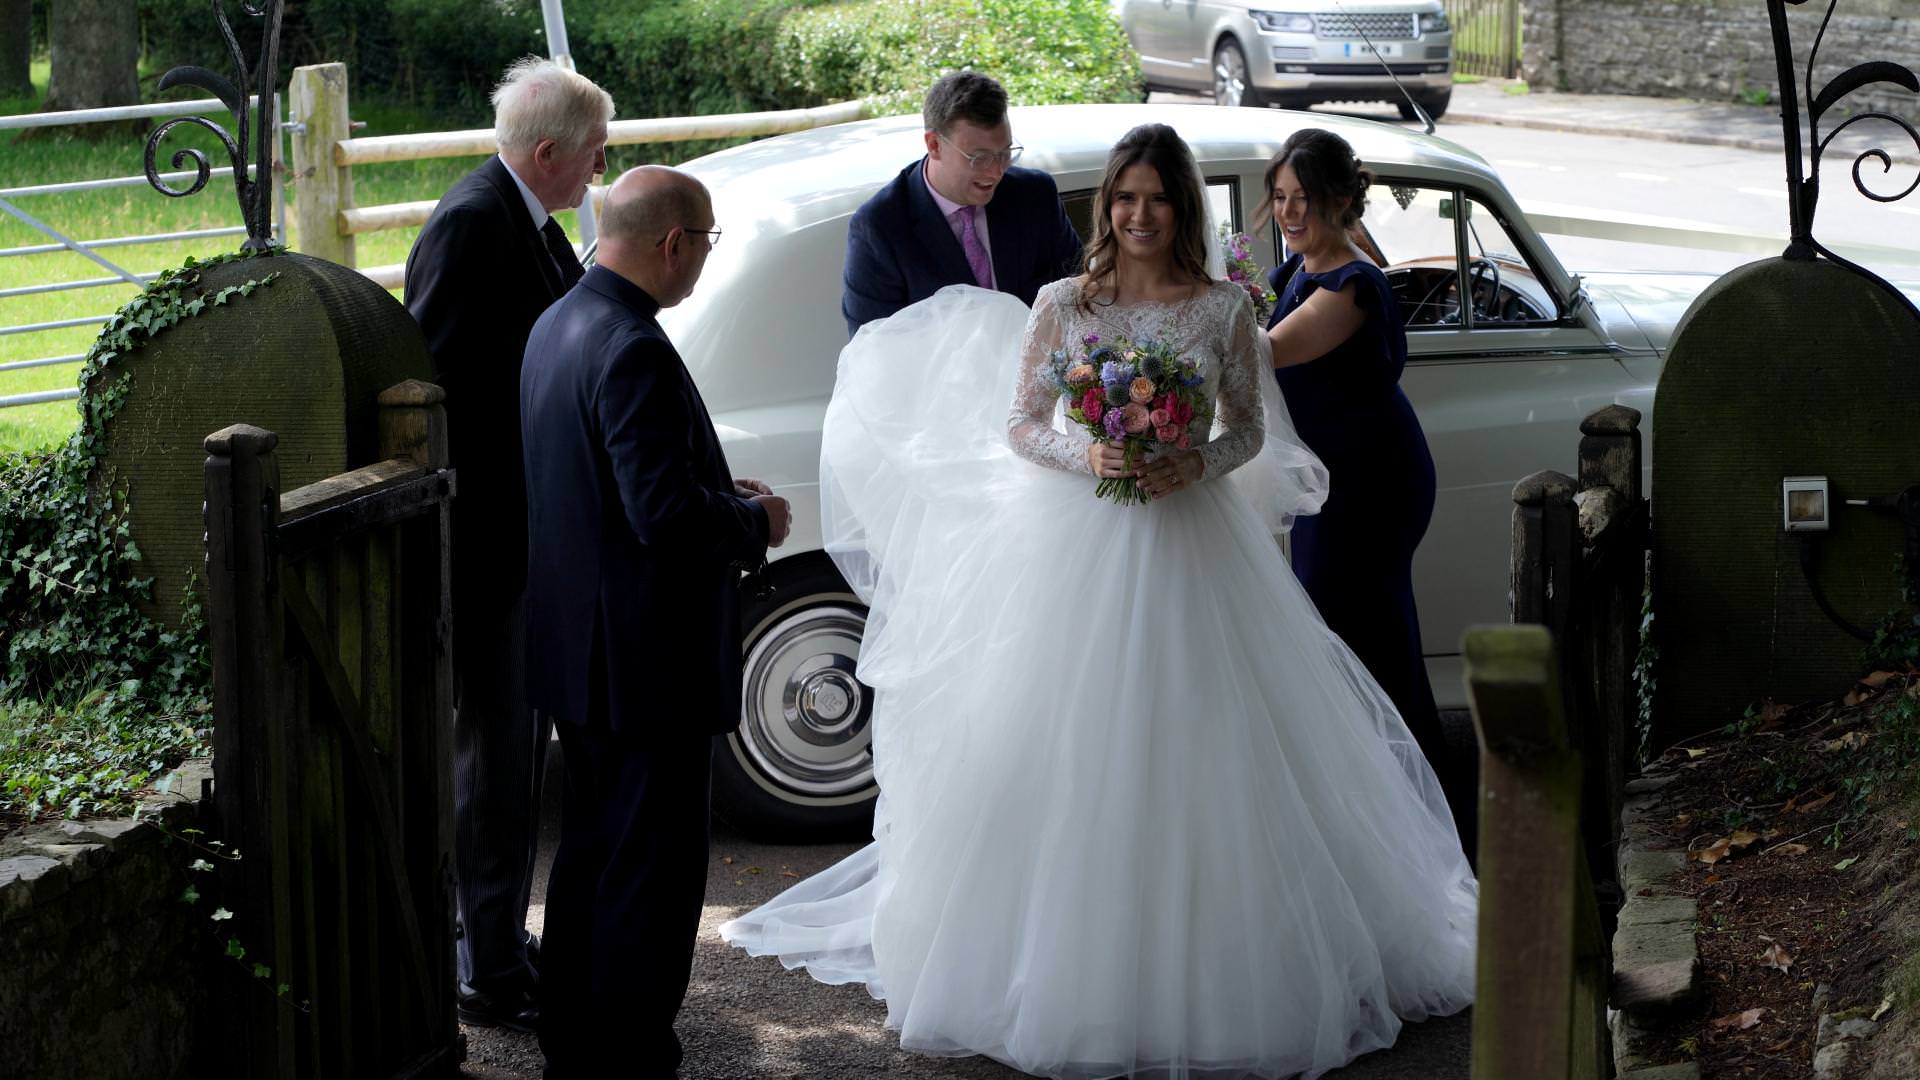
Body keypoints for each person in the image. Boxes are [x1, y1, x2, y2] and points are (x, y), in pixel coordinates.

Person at [722, 123, 1474, 1079]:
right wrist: (1095, 453)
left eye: (1159, 199)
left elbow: (1247, 430)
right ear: (1107, 207)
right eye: (1126, 198)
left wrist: (1189, 458)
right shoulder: (1063, 304)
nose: (1141, 215)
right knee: (1063, 743)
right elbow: (1021, 423)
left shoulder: (1222, 313)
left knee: (1213, 741)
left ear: (1183, 211)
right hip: (1074, 545)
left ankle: (1228, 960)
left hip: (1194, 543)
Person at [521, 165, 791, 1076]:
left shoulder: (559, 322)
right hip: (645, 662)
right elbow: (659, 517)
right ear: (672, 243)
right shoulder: (630, 344)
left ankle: (574, 1040)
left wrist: (717, 489)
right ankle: (631, 1052)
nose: (705, 261)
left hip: (580, 650)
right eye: (706, 242)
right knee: (653, 874)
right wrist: (753, 520)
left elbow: (606, 489)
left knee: (592, 858)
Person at [402, 57, 613, 1032]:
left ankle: (495, 941)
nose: (599, 170)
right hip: (489, 548)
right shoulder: (474, 222)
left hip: (527, 540)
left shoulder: (527, 220)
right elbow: (441, 385)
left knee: (517, 762)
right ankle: (487, 969)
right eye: (593, 155)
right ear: (546, 154)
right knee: (495, 763)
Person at [1261, 127, 1476, 855]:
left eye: (1306, 200)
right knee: (1352, 636)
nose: (1291, 213)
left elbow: (1269, 352)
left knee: (1365, 642)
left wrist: (1187, 313)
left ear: (1342, 200)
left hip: (1370, 483)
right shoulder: (1300, 266)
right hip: (1334, 479)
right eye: (1282, 198)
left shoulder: (1352, 283)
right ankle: (1383, 810)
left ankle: (1425, 823)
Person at [840, 70, 1083, 335]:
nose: (996, 172)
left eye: (1004, 154)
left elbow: (1078, 293)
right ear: (934, 145)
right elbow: (871, 352)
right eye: (979, 158)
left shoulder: (1034, 196)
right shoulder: (879, 228)